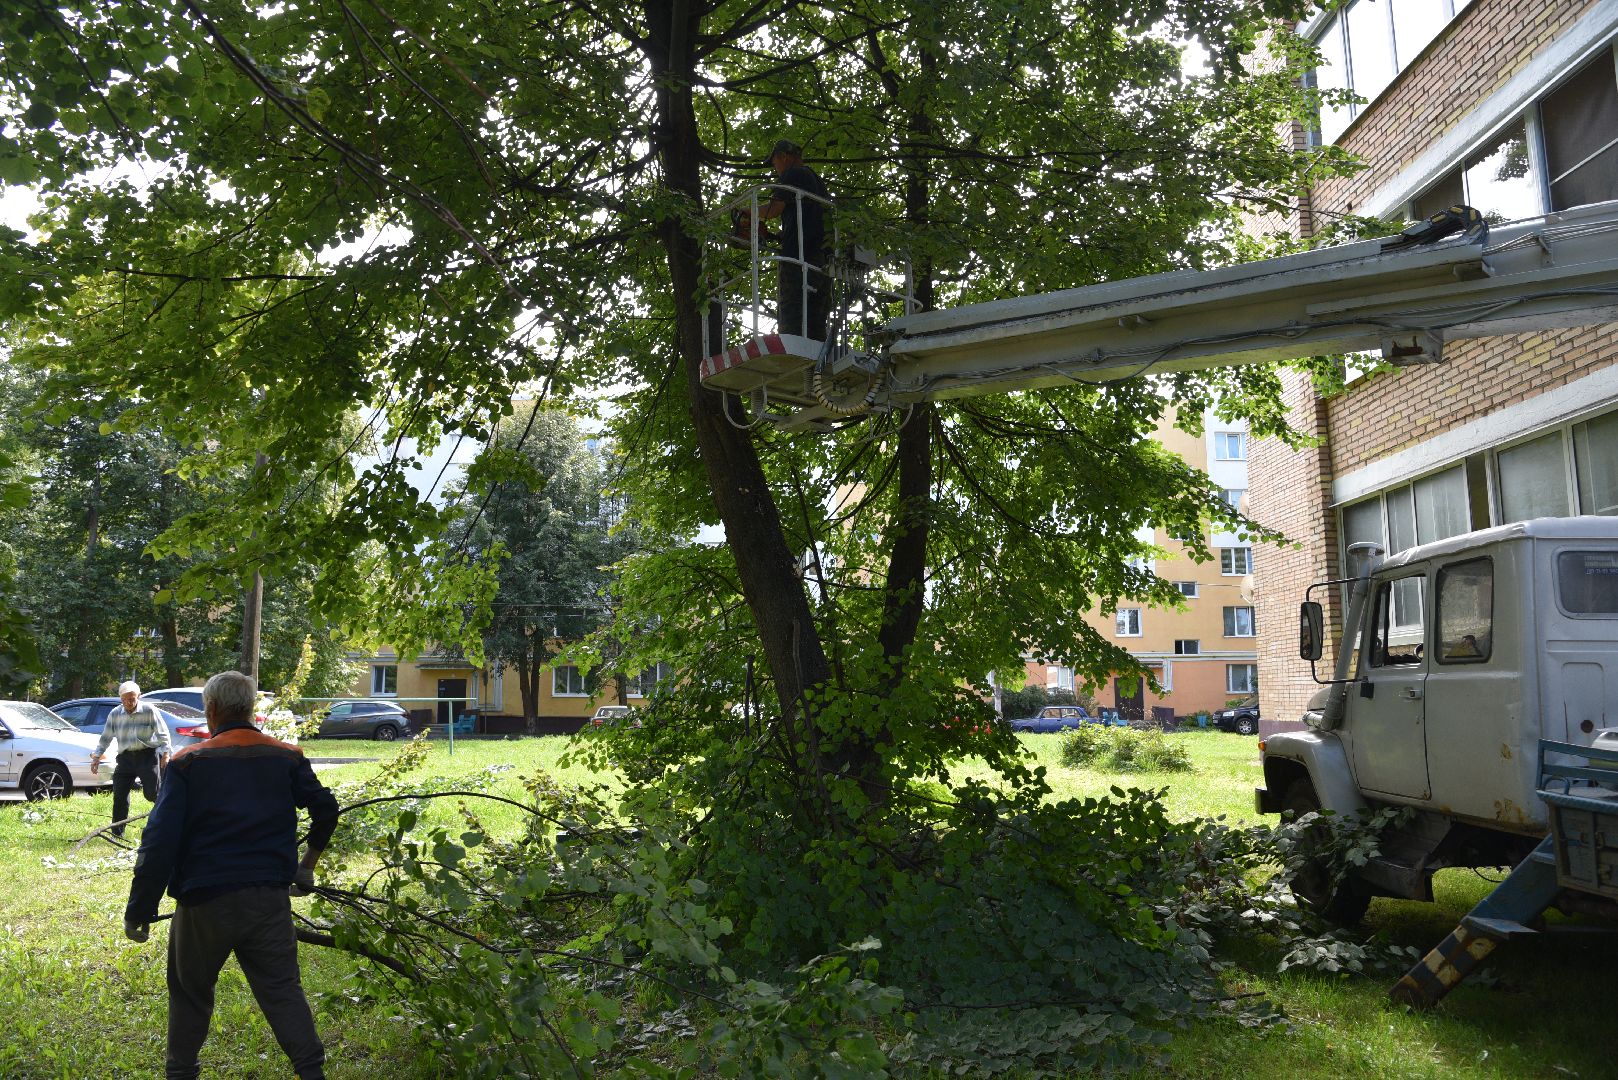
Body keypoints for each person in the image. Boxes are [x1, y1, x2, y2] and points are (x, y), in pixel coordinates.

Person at [123, 670, 340, 1080]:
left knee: (190, 996)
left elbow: (159, 842)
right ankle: (312, 1073)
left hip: (204, 902)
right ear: (250, 708)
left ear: (212, 709)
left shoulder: (189, 762)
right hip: (267, 900)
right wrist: (305, 867)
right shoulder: (286, 756)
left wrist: (140, 910)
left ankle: (181, 1074)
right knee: (282, 993)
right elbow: (326, 809)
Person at [751, 139, 832, 340]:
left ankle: (793, 351)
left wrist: (748, 211)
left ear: (783, 156)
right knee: (815, 318)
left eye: (774, 163)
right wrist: (782, 234)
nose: (775, 169)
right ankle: (817, 364)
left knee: (792, 314)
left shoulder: (793, 174)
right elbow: (810, 218)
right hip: (821, 260)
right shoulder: (815, 180)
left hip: (798, 257)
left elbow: (774, 209)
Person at [91, 680, 174, 839]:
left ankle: (165, 826)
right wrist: (96, 757)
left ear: (139, 696)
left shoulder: (149, 710)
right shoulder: (115, 713)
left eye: (132, 698)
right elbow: (106, 737)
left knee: (152, 794)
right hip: (125, 759)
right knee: (119, 795)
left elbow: (163, 733)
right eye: (124, 699)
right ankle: (117, 833)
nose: (128, 702)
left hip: (147, 756)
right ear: (120, 698)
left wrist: (166, 754)